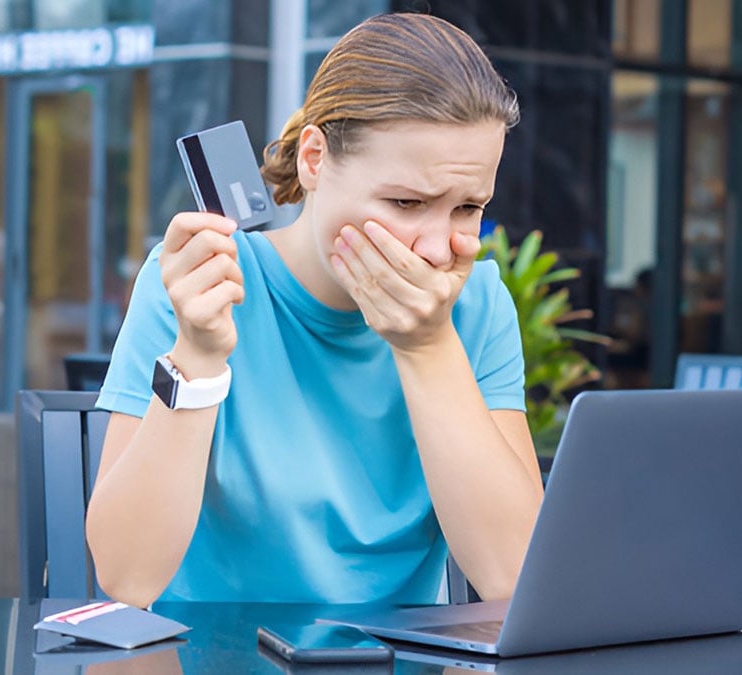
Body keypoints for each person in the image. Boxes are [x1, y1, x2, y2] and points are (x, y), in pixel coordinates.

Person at [85, 12, 545, 609]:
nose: (436, 248)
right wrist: (196, 359)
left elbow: (514, 576)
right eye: (407, 201)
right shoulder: (200, 284)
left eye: (467, 208)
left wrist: (427, 348)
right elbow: (124, 578)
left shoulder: (476, 305)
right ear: (314, 160)